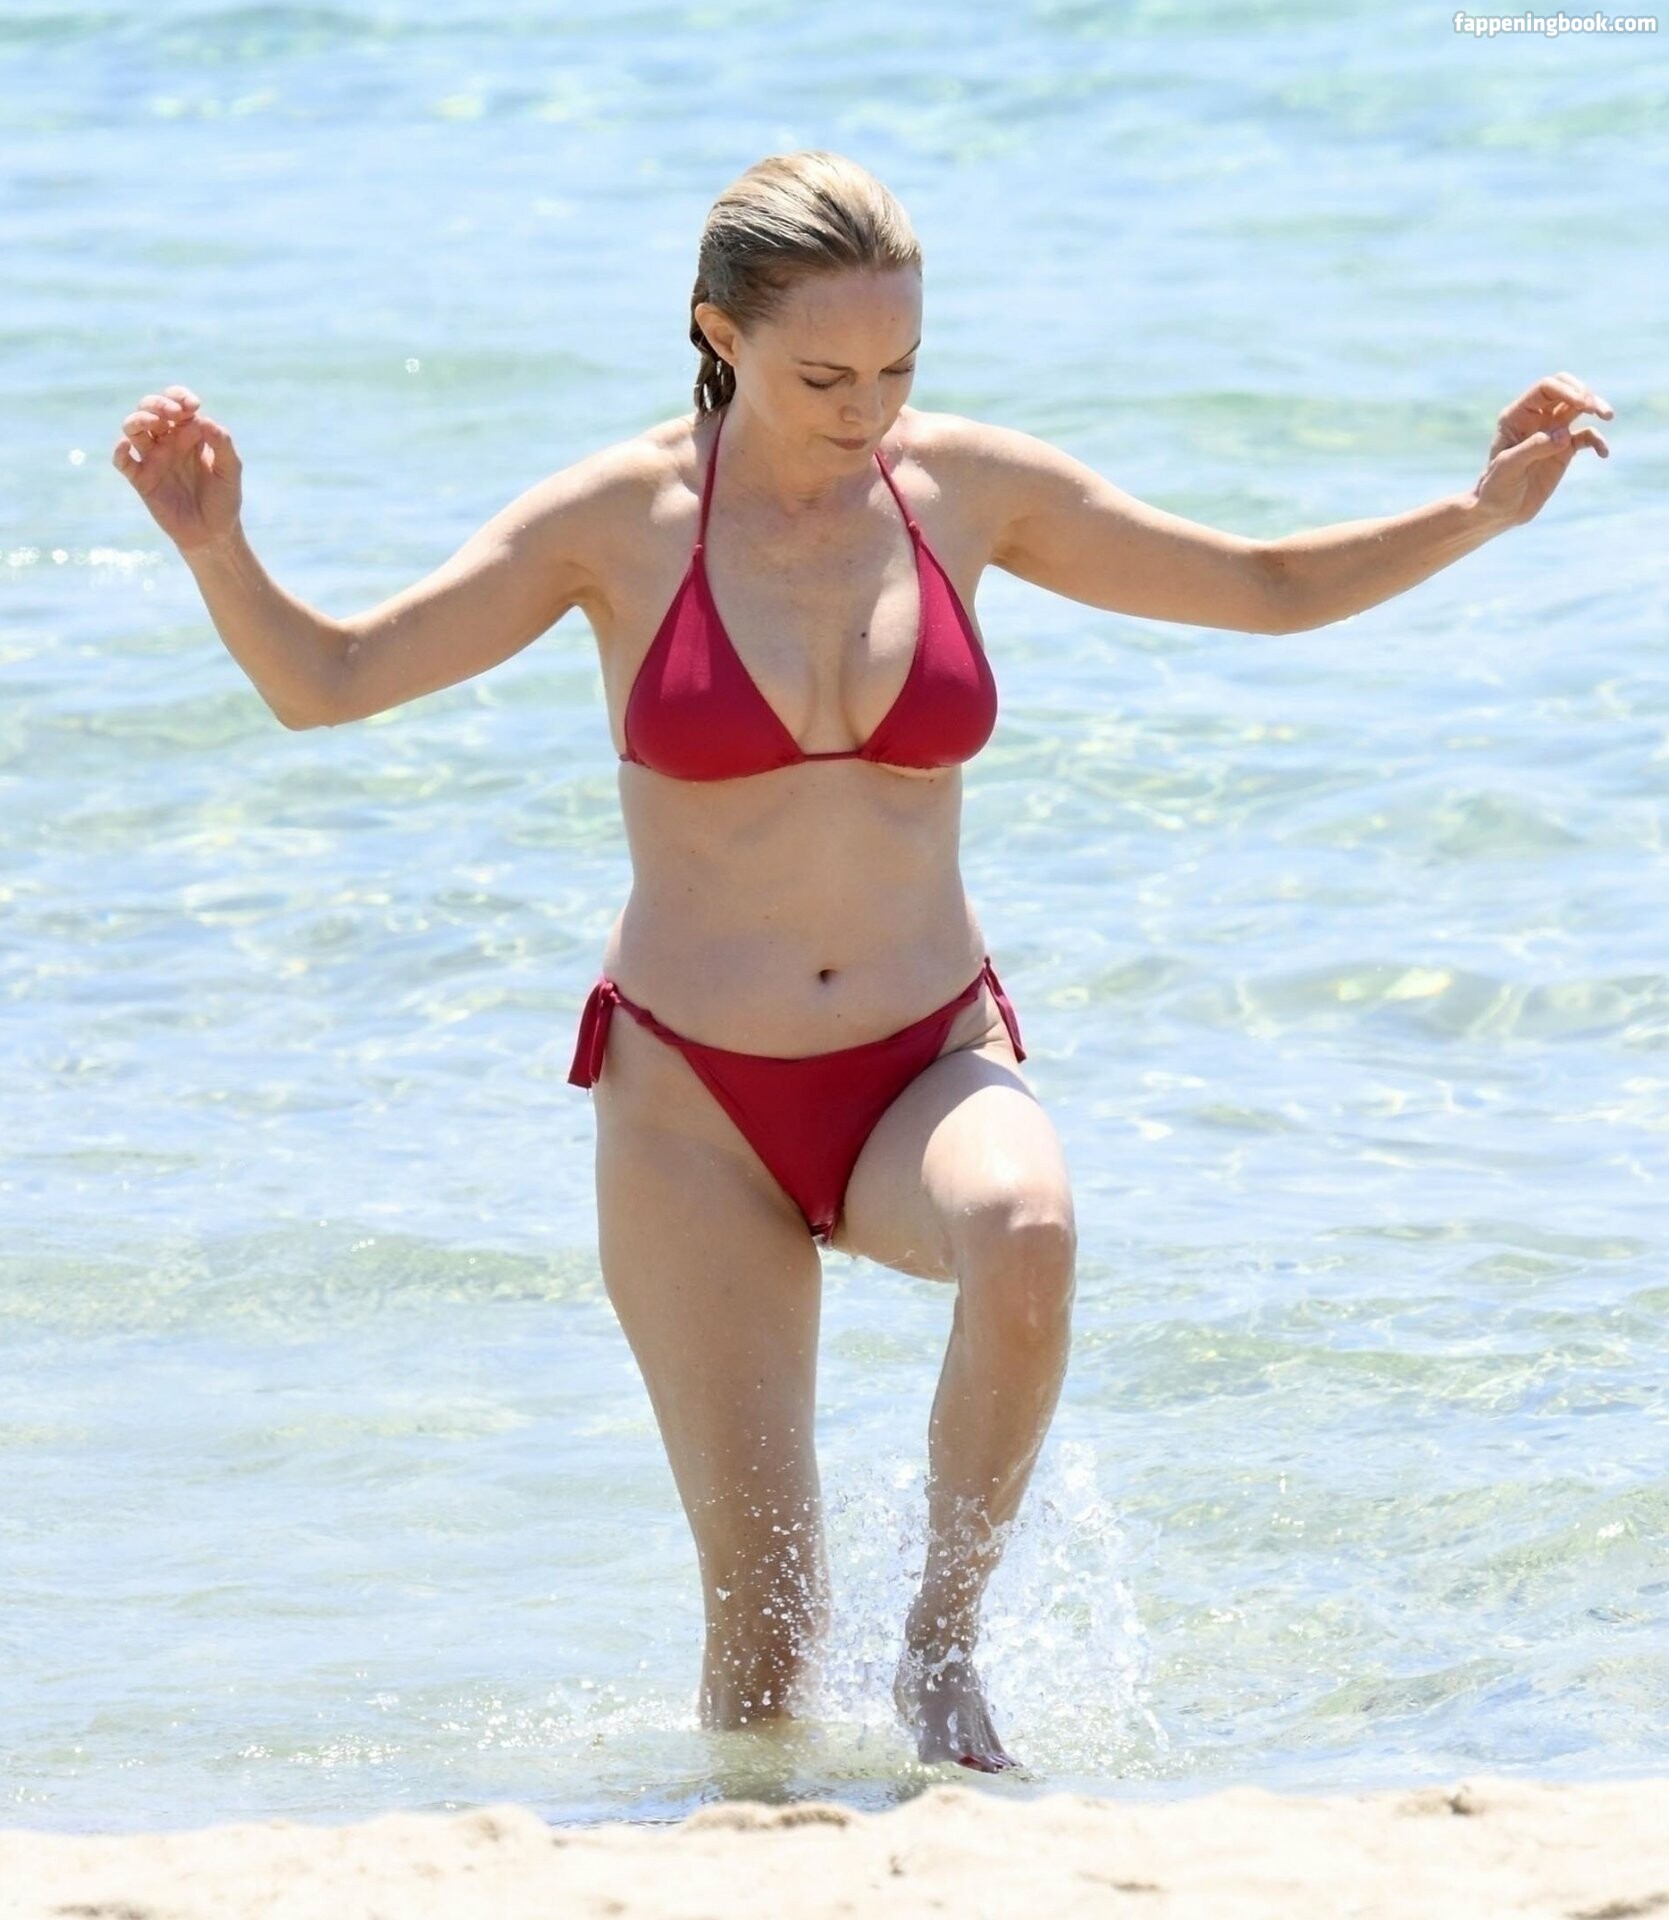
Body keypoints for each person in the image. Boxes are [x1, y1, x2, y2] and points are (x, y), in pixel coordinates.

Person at [112, 149, 1612, 1775]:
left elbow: (1258, 584)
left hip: (922, 1059)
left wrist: (1477, 511)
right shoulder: (615, 522)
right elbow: (329, 682)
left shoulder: (964, 489)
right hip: (694, 1109)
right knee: (761, 1645)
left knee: (1026, 1232)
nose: (867, 407)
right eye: (824, 375)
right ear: (718, 332)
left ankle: (941, 1652)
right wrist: (217, 549)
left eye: (897, 367)